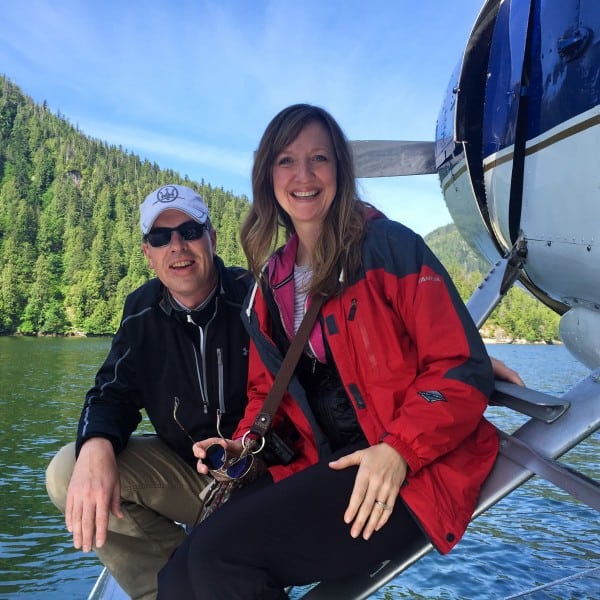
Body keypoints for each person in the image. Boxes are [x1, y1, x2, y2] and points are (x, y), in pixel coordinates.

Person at [156, 104, 506, 599]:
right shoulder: (270, 284)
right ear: (268, 176)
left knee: (221, 557)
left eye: (319, 158)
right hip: (325, 463)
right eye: (286, 160)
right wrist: (241, 444)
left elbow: (460, 366)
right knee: (178, 572)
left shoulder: (390, 248)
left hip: (408, 469)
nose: (304, 175)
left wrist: (398, 450)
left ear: (339, 169)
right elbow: (264, 391)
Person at [45, 184, 251, 600]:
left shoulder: (255, 296)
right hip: (191, 480)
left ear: (211, 238)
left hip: (263, 476)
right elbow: (111, 393)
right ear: (148, 253)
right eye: (161, 238)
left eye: (189, 231)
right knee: (67, 471)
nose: (177, 246)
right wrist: (97, 442)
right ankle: (170, 589)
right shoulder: (141, 311)